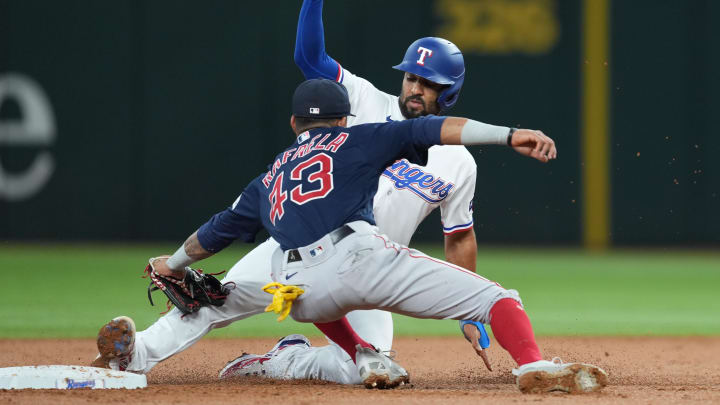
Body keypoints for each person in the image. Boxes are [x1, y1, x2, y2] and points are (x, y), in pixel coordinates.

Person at [97, 78, 607, 394]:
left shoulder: (269, 176)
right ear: (344, 118)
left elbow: (216, 231)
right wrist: (508, 134)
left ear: (294, 122)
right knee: (497, 299)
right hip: (361, 259)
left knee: (215, 298)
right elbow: (433, 129)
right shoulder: (362, 136)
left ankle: (136, 355)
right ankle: (531, 365)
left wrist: (173, 265)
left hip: (293, 286)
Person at [217, 0, 500, 383]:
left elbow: (460, 236)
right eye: (411, 78)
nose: (416, 88)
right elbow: (309, 56)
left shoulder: (461, 163)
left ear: (449, 93)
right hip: (301, 247)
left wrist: (469, 311)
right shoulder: (365, 98)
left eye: (429, 83)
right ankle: (134, 351)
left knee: (370, 366)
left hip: (373, 269)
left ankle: (283, 358)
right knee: (217, 301)